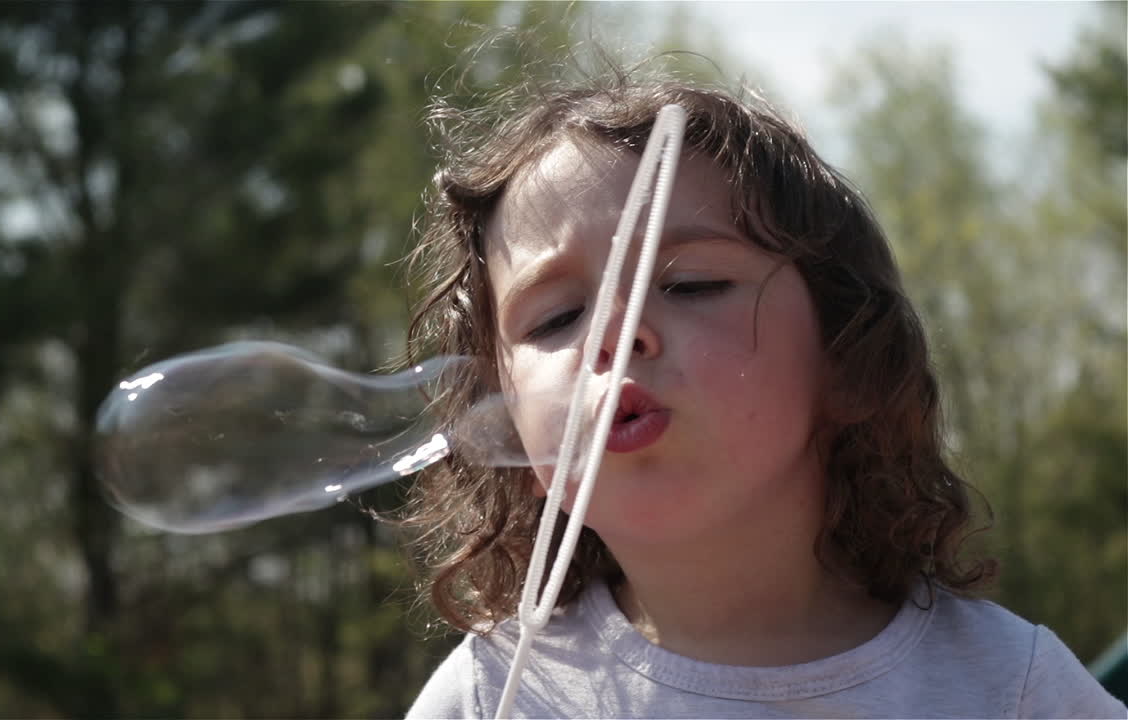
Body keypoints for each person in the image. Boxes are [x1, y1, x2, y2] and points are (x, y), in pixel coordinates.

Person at [399, 66, 1127, 719]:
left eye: (691, 285)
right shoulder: (494, 695)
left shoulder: (1011, 689)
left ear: (849, 360)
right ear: (513, 443)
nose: (614, 336)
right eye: (557, 318)